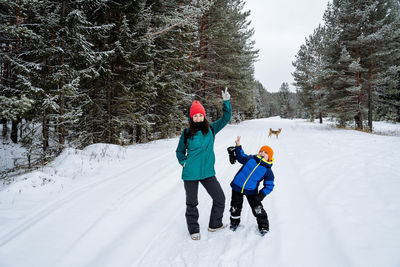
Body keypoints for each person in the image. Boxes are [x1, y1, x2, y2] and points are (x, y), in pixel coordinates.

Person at [176, 88, 232, 240]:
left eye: (201, 115)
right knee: (192, 202)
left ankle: (215, 224)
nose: (199, 118)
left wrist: (226, 102)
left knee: (220, 198)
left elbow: (226, 118)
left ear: (204, 115)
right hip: (190, 173)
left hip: (207, 172)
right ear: (192, 117)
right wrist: (184, 162)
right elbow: (179, 151)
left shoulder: (211, 129)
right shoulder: (187, 133)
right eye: (196, 116)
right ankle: (194, 229)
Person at [229, 136, 275, 236]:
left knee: (257, 208)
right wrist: (238, 145)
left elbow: (269, 186)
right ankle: (234, 222)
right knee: (235, 206)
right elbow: (241, 156)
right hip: (237, 186)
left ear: (269, 157)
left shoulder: (268, 171)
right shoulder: (251, 159)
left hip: (251, 191)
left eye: (266, 152)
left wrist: (261, 195)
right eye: (261, 151)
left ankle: (263, 225)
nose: (262, 153)